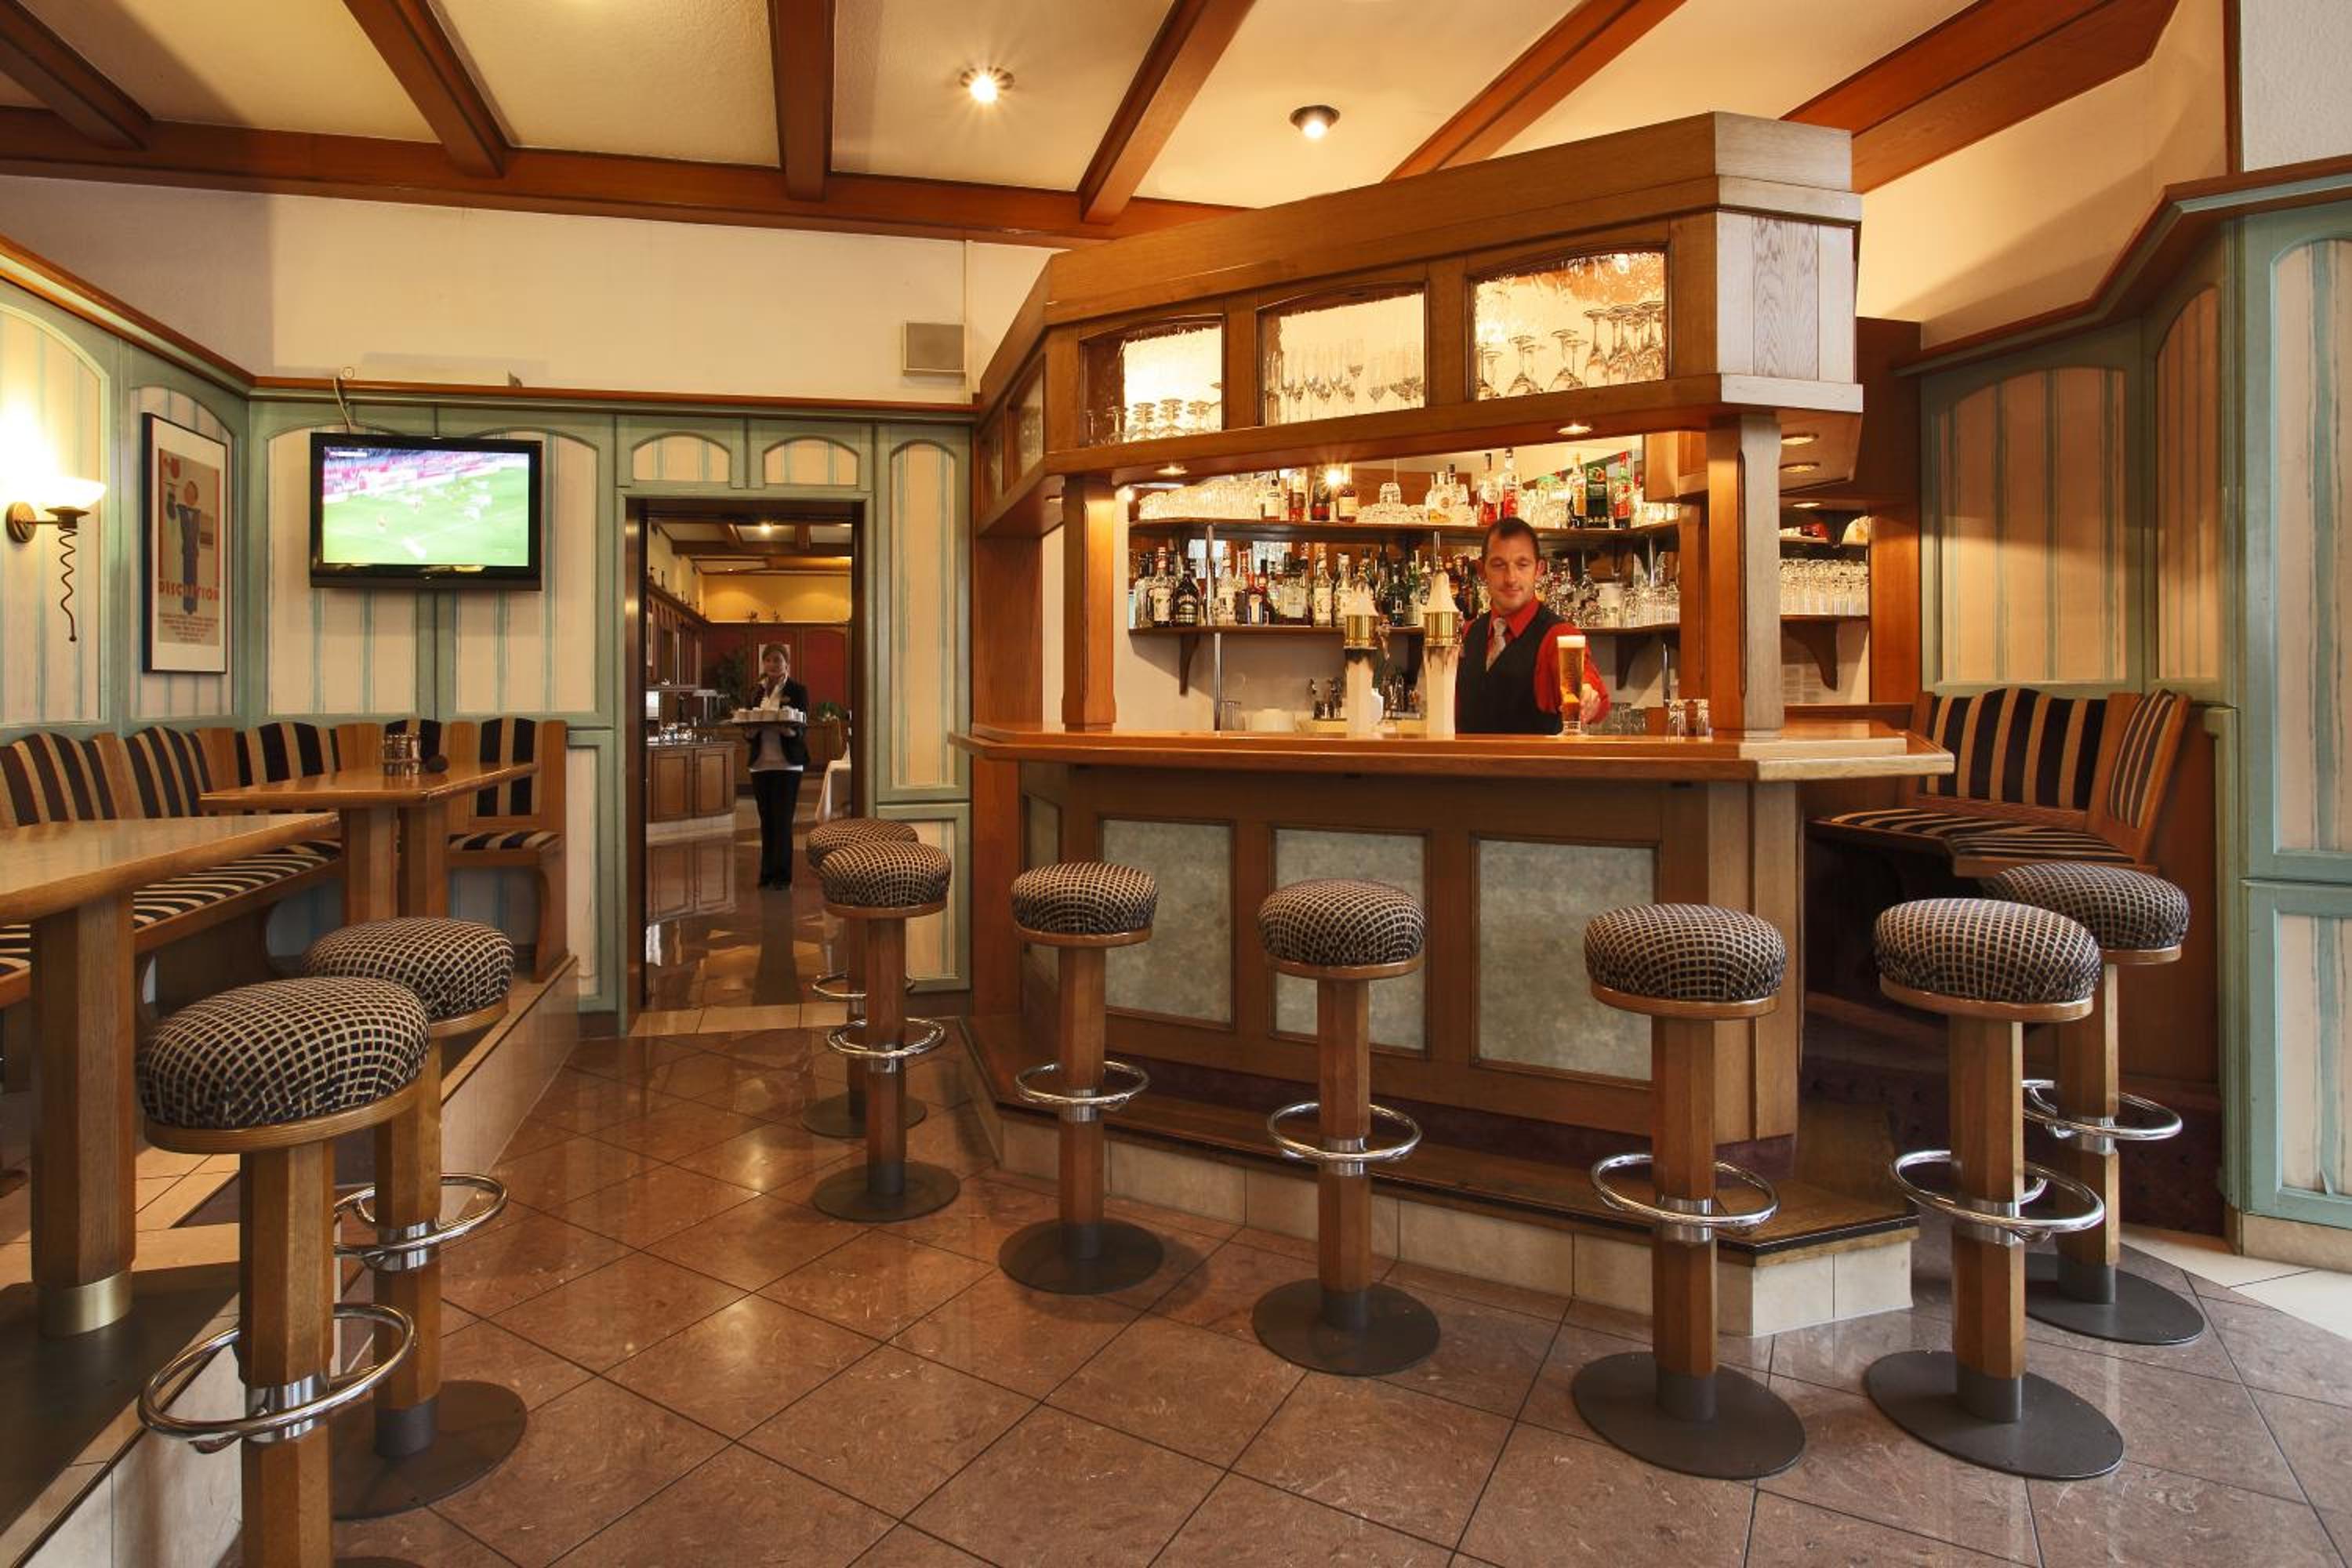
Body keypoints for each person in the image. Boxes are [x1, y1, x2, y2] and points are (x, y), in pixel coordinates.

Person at [1455, 515, 1610, 735]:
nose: (1511, 578)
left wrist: (1587, 694)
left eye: (1522, 565)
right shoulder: (1469, 632)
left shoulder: (1558, 635)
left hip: (1534, 760)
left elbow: (1588, 686)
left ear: (1539, 570)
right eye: (1499, 565)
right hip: (1467, 758)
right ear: (1481, 571)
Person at [747, 644, 810, 887]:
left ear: (786, 664)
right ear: (763, 664)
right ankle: (767, 874)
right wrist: (750, 732)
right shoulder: (755, 691)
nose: (773, 664)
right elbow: (748, 724)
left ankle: (782, 876)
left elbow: (802, 726)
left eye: (778, 660)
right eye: (769, 660)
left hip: (787, 765)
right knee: (766, 821)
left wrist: (787, 730)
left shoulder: (797, 690)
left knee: (783, 821)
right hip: (761, 764)